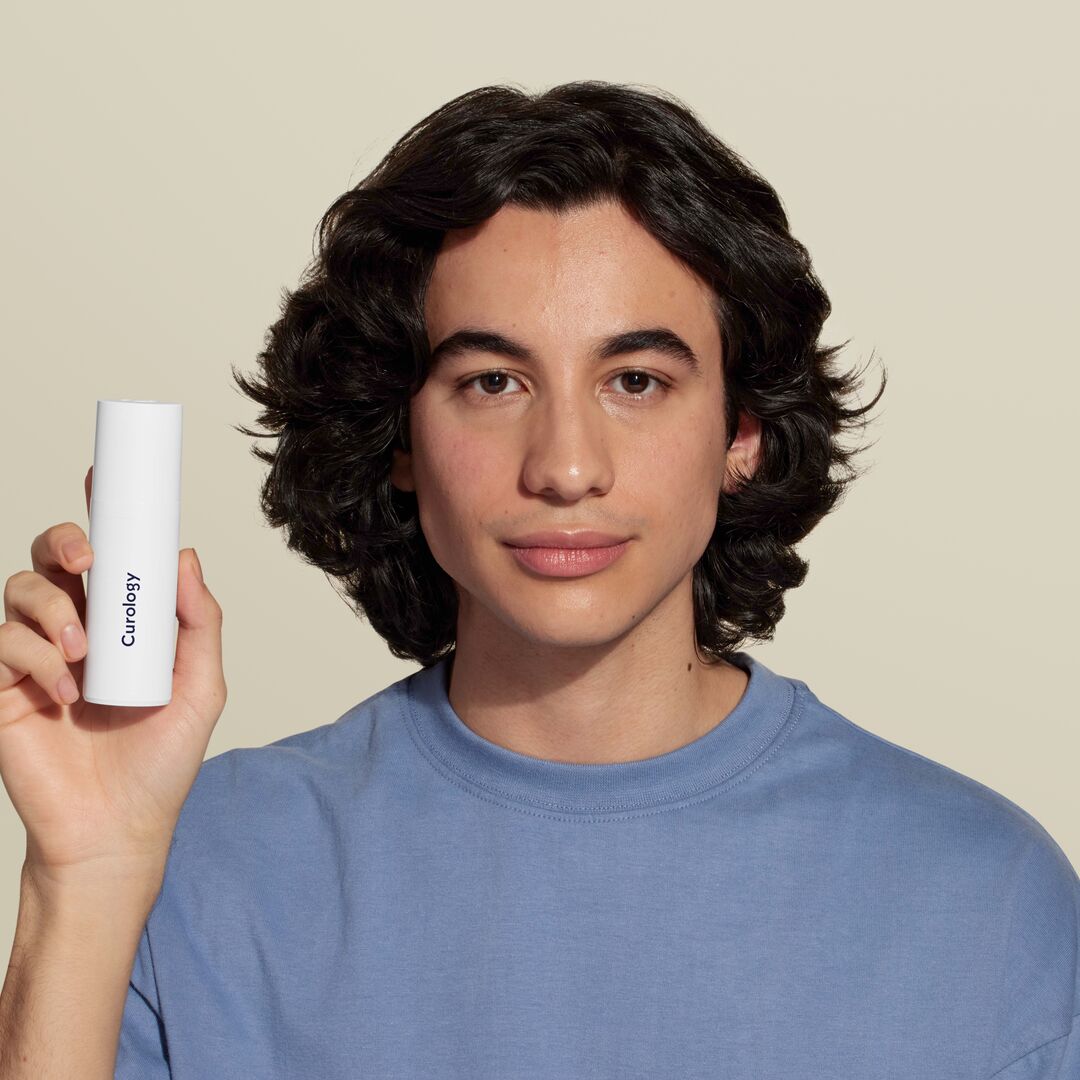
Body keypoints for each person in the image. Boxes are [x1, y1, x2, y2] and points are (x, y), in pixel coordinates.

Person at [0, 80, 1076, 1079]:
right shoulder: (194, 861)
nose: (565, 467)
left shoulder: (983, 897)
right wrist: (82, 877)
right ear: (400, 434)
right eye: (493, 380)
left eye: (638, 380)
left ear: (742, 430)